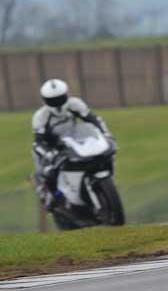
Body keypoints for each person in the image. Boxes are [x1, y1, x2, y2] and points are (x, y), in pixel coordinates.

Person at [32, 78, 112, 208]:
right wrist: (49, 154)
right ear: (45, 100)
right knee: (48, 172)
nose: (57, 103)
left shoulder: (75, 104)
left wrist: (106, 133)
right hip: (51, 147)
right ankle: (53, 196)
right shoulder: (41, 116)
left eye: (59, 98)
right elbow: (38, 142)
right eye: (52, 101)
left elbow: (93, 119)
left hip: (72, 140)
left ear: (66, 94)